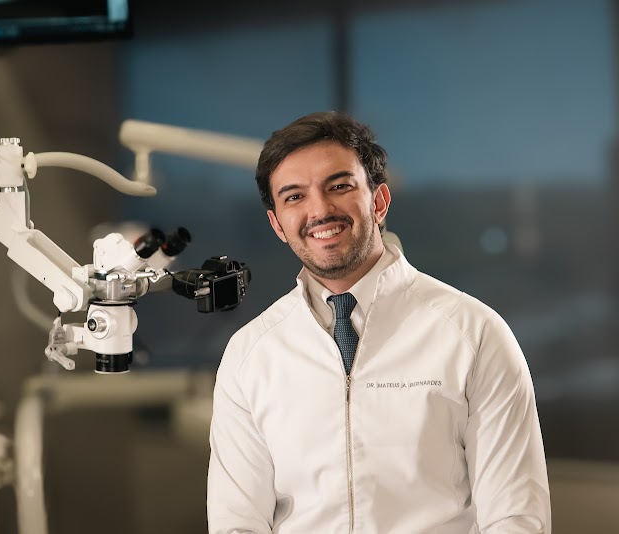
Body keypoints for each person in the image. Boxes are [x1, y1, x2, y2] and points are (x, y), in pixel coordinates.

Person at [206, 111, 551, 533]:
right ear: (277, 223)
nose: (320, 210)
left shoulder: (473, 333)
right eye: (294, 196)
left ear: (379, 201)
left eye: (339, 186)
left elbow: (516, 517)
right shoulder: (250, 354)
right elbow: (236, 522)